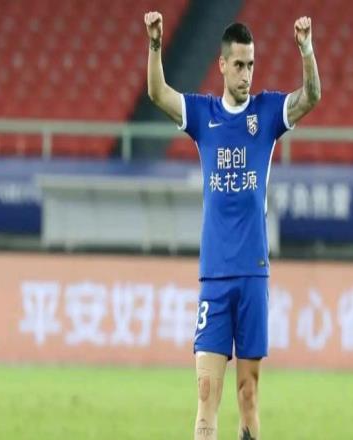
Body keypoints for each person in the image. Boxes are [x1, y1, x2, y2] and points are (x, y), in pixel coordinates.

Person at [144, 10, 321, 440]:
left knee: (248, 394)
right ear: (222, 65)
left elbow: (311, 96)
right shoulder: (204, 115)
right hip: (215, 276)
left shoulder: (267, 112)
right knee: (206, 393)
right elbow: (158, 93)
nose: (246, 74)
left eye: (251, 64)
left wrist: (306, 50)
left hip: (253, 274)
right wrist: (155, 45)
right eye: (239, 64)